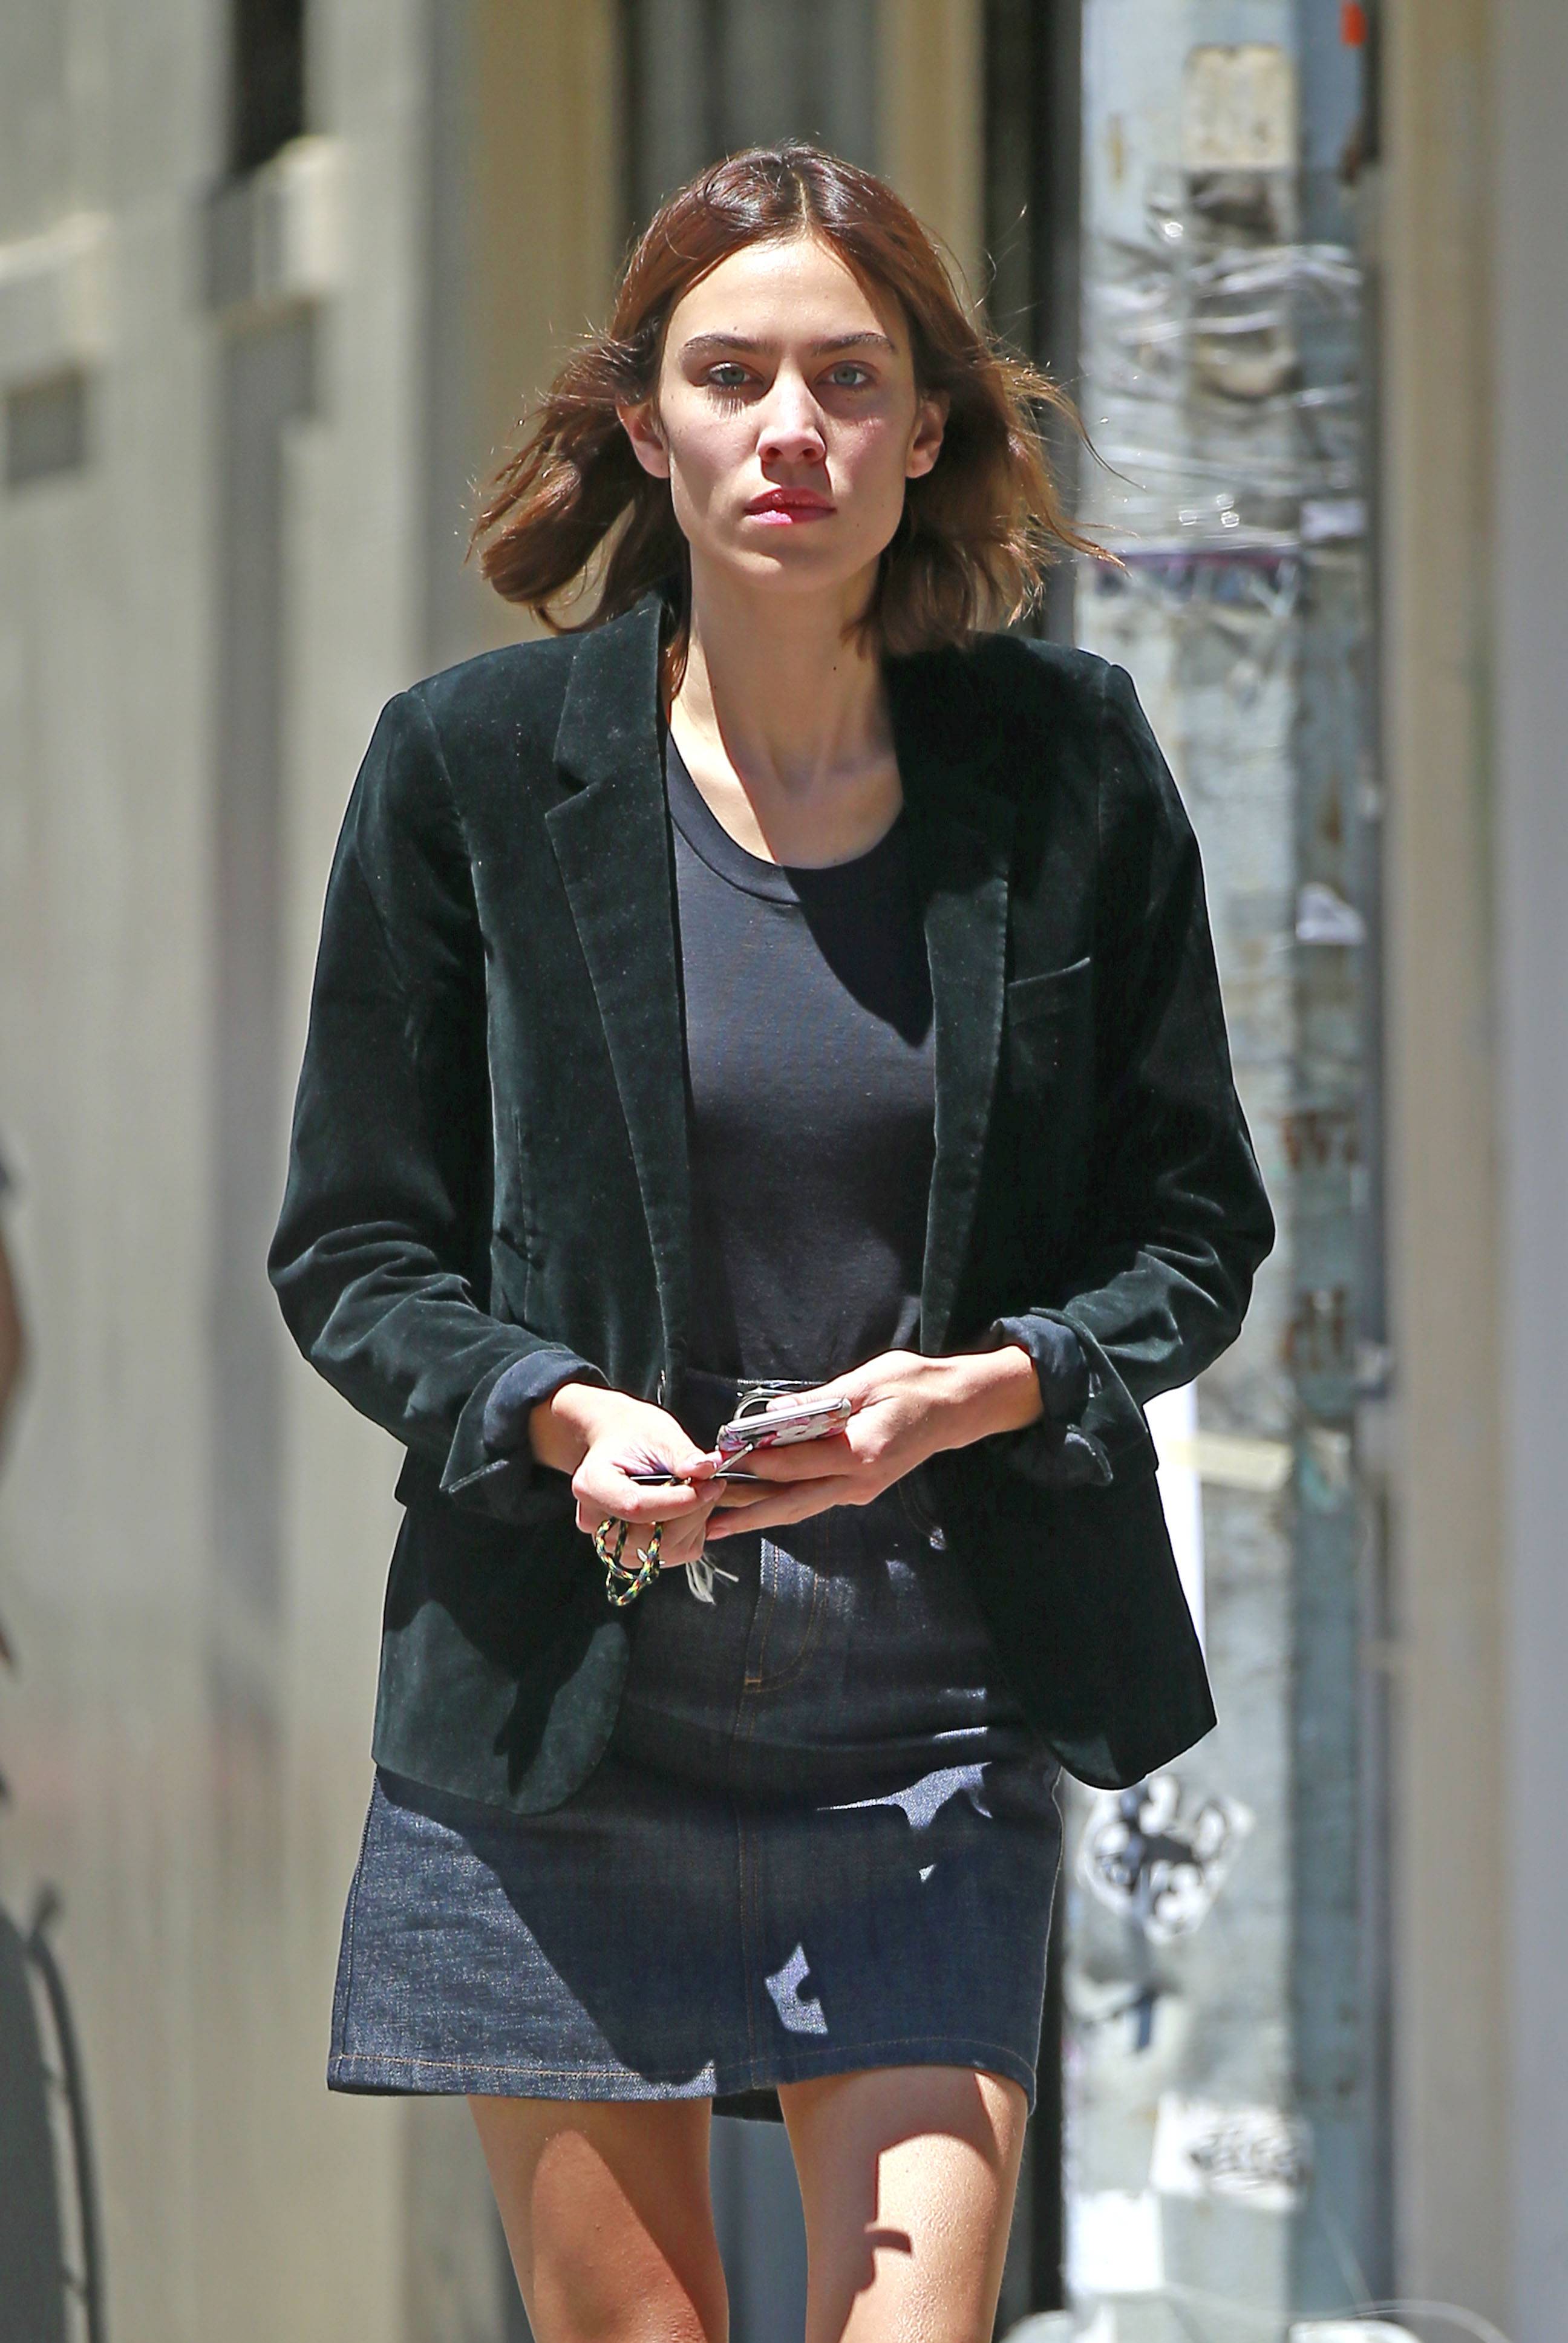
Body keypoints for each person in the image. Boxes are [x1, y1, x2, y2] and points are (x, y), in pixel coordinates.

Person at [270, 144, 1273, 2343]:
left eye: (849, 377)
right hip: (570, 1705)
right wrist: (552, 1409)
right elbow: (353, 1244)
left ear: (927, 429)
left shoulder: (1068, 766)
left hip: (930, 1707)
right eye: (733, 377)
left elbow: (1198, 1226)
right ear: (649, 425)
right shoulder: (470, 769)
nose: (790, 428)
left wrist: (978, 1389)